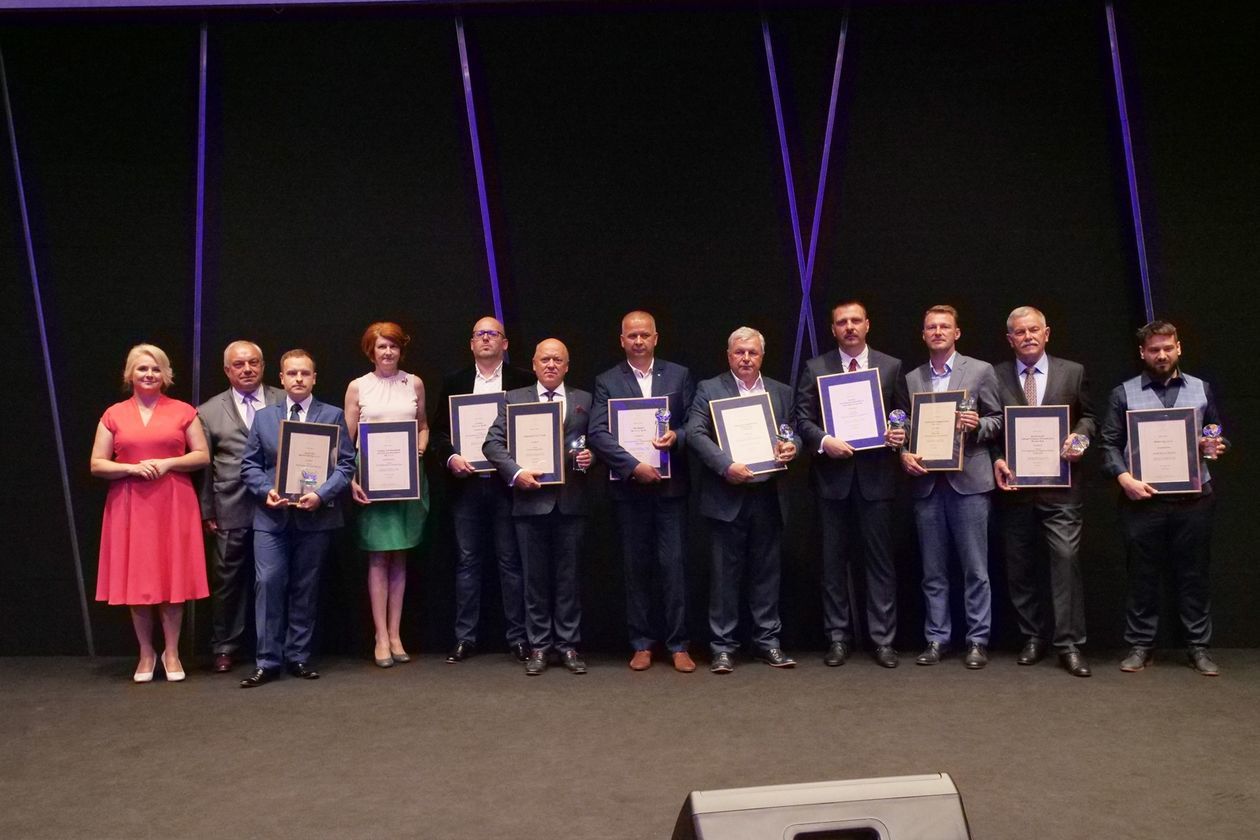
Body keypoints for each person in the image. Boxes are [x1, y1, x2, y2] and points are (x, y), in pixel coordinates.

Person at [1097, 320, 1227, 676]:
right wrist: (1124, 479)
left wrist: (1214, 445)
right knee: (1141, 577)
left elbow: (1217, 434)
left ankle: (1198, 647)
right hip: (1142, 502)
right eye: (1154, 349)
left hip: (1195, 500)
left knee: (1194, 576)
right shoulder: (1123, 393)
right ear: (1143, 353)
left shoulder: (1201, 389)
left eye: (1168, 348)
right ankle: (1141, 646)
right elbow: (1108, 444)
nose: (1162, 355)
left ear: (1178, 348)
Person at [794, 301, 907, 669]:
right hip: (832, 480)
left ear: (867, 324)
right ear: (833, 329)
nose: (849, 327)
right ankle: (838, 638)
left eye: (856, 320)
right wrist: (825, 441)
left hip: (877, 479)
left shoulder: (890, 366)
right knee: (832, 563)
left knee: (880, 563)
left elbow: (903, 415)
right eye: (842, 322)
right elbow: (803, 420)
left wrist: (899, 434)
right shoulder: (815, 368)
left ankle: (883, 640)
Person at [91, 344, 210, 683]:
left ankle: (171, 652)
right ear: (130, 374)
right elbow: (97, 463)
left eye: (156, 369)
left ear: (166, 374)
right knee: (138, 581)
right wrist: (130, 468)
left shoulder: (183, 411)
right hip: (130, 505)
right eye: (142, 368)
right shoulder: (113, 414)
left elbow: (202, 455)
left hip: (173, 504)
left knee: (172, 578)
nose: (149, 374)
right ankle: (146, 652)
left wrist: (169, 463)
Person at [239, 349, 356, 687]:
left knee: (306, 587)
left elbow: (346, 465)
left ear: (314, 378)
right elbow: (249, 465)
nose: (299, 379)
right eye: (292, 373)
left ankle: (299, 656)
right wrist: (266, 491)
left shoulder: (332, 415)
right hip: (271, 516)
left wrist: (322, 494)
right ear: (281, 378)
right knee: (268, 583)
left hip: (315, 517)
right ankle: (267, 661)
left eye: (305, 373)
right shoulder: (264, 417)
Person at [686, 326, 799, 674]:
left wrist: (792, 447)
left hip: (768, 494)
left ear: (762, 356)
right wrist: (725, 466)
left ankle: (768, 642)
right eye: (739, 352)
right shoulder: (709, 388)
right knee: (724, 576)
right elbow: (694, 432)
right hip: (727, 494)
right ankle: (722, 647)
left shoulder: (781, 391)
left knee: (767, 574)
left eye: (752, 353)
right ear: (728, 355)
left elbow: (793, 431)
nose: (746, 358)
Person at [588, 311, 696, 672]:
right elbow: (597, 432)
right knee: (636, 568)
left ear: (655, 338)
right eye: (632, 335)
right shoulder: (607, 381)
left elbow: (694, 422)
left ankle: (678, 645)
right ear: (622, 340)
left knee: (674, 568)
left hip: (671, 488)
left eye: (644, 335)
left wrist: (677, 436)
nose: (638, 341)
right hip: (630, 489)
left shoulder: (679, 375)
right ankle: (642, 643)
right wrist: (633, 466)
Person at [991, 307, 1095, 677]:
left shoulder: (1073, 372)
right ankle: (1032, 637)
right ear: (1010, 339)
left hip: (1061, 488)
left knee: (1065, 561)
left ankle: (1068, 644)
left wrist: (1080, 437)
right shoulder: (995, 375)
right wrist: (997, 458)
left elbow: (1089, 417)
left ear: (1047, 333)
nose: (1028, 337)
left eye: (1034, 330)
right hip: (1015, 488)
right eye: (1020, 332)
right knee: (1019, 567)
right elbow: (991, 426)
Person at [897, 305, 1001, 669]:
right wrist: (903, 452)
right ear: (923, 334)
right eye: (931, 327)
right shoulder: (912, 378)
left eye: (944, 326)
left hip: (969, 483)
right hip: (927, 484)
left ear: (957, 333)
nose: (938, 331)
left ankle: (977, 640)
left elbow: (997, 419)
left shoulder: (981, 370)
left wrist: (978, 425)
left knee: (976, 570)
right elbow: (906, 429)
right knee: (933, 571)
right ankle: (937, 638)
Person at [482, 338, 594, 676]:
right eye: (545, 359)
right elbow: (492, 443)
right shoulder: (514, 399)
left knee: (569, 579)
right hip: (529, 504)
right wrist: (516, 473)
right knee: (534, 580)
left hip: (571, 503)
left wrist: (592, 457)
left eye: (558, 360)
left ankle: (569, 645)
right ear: (533, 364)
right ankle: (540, 646)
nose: (551, 365)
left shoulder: (584, 400)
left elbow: (597, 441)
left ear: (567, 366)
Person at [430, 316, 534, 664]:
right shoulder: (455, 381)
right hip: (467, 486)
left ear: (505, 343)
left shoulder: (523, 380)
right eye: (480, 334)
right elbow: (439, 434)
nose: (486, 338)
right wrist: (451, 458)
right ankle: (465, 638)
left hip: (508, 486)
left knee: (511, 562)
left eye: (493, 334)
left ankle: (518, 638)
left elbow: (533, 428)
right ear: (471, 343)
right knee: (467, 562)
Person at [345, 322, 430, 668]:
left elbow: (423, 426)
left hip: (407, 480)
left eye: (393, 346)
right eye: (381, 346)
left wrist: (420, 449)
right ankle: (380, 636)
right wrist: (349, 478)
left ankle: (396, 635)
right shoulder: (358, 387)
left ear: (401, 350)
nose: (388, 352)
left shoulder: (415, 383)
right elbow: (346, 440)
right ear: (371, 351)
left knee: (400, 555)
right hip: (372, 481)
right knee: (379, 557)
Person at [198, 340, 285, 673]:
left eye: (253, 363)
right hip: (231, 504)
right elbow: (205, 468)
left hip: (278, 502)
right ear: (227, 370)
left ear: (263, 366)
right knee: (227, 580)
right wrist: (207, 510)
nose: (247, 369)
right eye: (239, 364)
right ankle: (224, 646)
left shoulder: (283, 399)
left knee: (274, 578)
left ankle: (276, 644)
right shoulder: (207, 411)